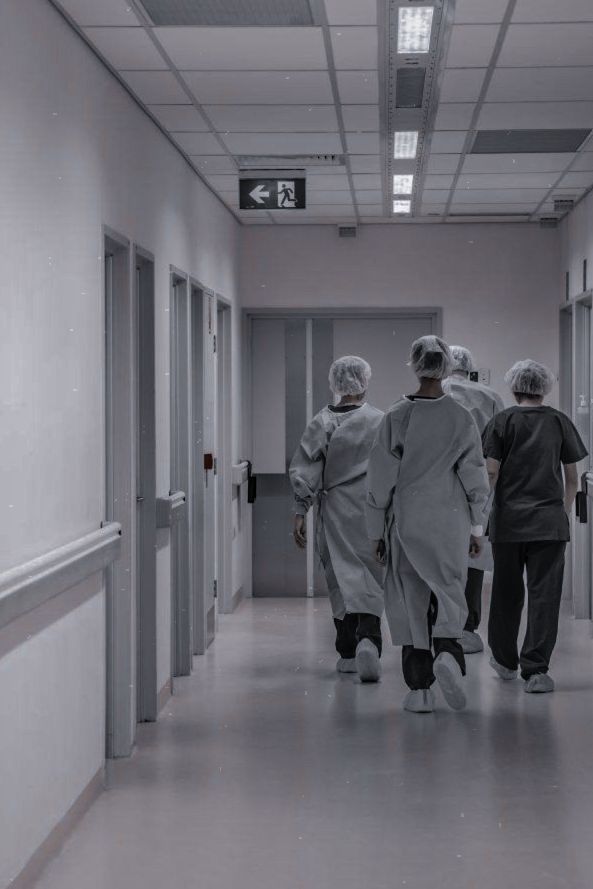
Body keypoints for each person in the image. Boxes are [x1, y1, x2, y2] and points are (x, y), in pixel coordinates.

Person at [366, 336, 489, 713]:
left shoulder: (395, 417)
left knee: (411, 599)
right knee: (450, 589)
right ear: (447, 366)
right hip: (450, 519)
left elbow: (379, 481)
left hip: (407, 519)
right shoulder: (460, 417)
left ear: (415, 364)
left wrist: (375, 532)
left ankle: (419, 689)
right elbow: (475, 477)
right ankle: (449, 652)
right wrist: (476, 528)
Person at [483, 359, 587, 693]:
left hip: (508, 524)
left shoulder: (501, 421)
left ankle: (504, 660)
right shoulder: (559, 422)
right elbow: (572, 479)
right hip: (548, 525)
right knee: (545, 596)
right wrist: (562, 512)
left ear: (514, 387)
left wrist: (478, 516)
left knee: (505, 593)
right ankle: (537, 671)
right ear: (545, 388)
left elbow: (490, 473)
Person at [289, 356, 385, 681]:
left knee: (340, 578)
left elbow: (305, 471)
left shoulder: (323, 422)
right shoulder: (380, 420)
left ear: (335, 384)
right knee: (370, 576)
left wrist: (300, 511)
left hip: (335, 510)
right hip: (373, 509)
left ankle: (347, 651)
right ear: (365, 381)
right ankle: (369, 639)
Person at [444, 345, 505, 655]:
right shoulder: (490, 397)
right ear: (470, 368)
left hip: (435, 488)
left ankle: (439, 626)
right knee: (474, 555)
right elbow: (500, 450)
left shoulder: (432, 394)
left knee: (436, 560)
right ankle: (467, 630)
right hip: (479, 486)